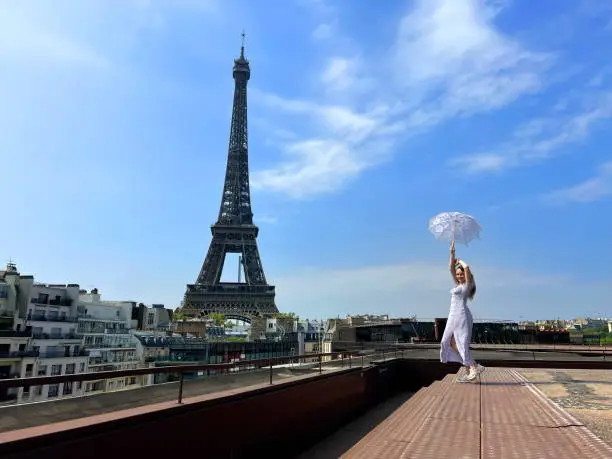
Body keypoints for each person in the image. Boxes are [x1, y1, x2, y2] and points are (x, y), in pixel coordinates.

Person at [440, 240, 485, 382]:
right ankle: (473, 367)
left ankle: (471, 368)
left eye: (461, 274)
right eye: (458, 274)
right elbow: (450, 268)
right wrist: (452, 253)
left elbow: (467, 268)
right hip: (452, 316)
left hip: (462, 317)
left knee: (460, 343)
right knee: (448, 343)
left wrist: (462, 262)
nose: (459, 276)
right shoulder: (458, 284)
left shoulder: (467, 285)